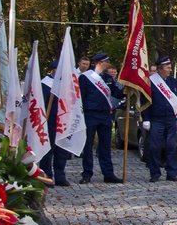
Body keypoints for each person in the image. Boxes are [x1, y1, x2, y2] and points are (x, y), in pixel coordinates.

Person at [78, 53, 125, 184]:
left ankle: (108, 174)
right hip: (90, 114)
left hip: (105, 115)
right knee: (88, 145)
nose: (108, 64)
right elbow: (81, 96)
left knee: (105, 145)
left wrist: (128, 87)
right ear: (99, 63)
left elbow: (117, 93)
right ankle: (87, 173)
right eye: (106, 61)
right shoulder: (85, 77)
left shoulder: (107, 78)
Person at [142, 56, 177, 182]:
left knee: (171, 147)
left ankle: (172, 173)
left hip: (171, 118)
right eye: (168, 67)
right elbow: (145, 101)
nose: (170, 69)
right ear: (160, 68)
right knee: (155, 147)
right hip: (156, 119)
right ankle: (155, 173)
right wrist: (146, 118)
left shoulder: (173, 82)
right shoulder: (150, 81)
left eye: (170, 67)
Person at [39, 60, 72, 187]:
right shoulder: (45, 83)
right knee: (48, 149)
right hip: (50, 121)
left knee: (62, 149)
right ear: (53, 70)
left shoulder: (66, 84)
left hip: (63, 120)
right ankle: (47, 175)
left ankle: (60, 175)